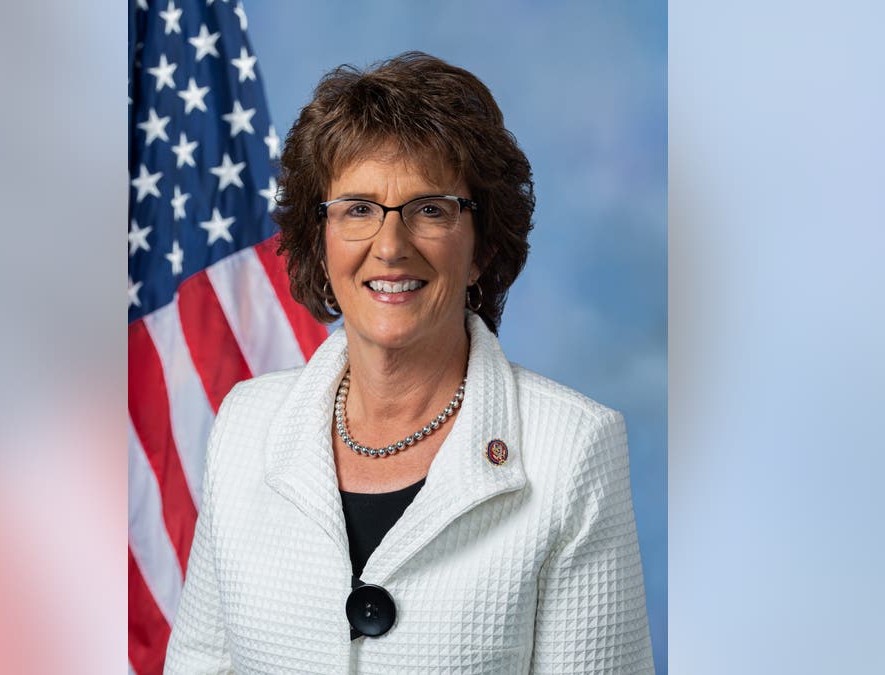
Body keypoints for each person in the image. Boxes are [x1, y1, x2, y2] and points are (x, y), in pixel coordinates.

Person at [164, 52, 654, 674]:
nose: (389, 247)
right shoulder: (245, 425)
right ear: (320, 241)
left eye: (430, 209)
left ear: (480, 248)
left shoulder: (573, 448)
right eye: (358, 209)